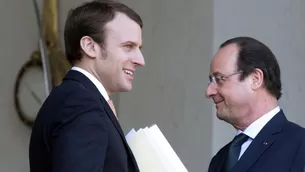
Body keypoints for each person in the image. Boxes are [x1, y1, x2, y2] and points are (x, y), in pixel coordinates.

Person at [29, 0, 145, 171]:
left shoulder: (77, 99)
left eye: (139, 48)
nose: (140, 60)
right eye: (128, 46)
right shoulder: (81, 104)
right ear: (90, 46)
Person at [206, 36, 305, 172]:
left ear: (255, 79)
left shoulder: (300, 146)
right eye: (211, 81)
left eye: (219, 79)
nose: (209, 91)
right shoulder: (219, 160)